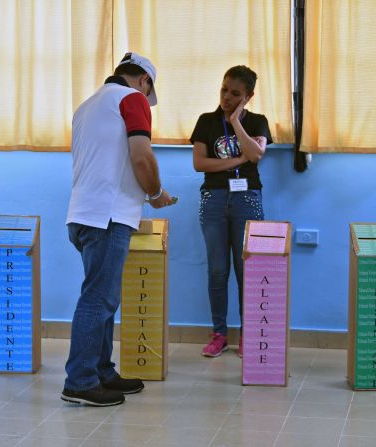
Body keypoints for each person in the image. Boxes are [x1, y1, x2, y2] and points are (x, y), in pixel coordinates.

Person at [62, 52, 174, 407]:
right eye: (148, 89)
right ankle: (79, 382)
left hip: (82, 214)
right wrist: (155, 194)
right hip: (108, 217)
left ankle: (101, 372)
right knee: (99, 299)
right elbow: (141, 156)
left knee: (103, 297)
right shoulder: (133, 100)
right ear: (144, 80)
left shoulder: (87, 106)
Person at [190, 65, 272, 358]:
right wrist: (235, 161)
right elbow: (199, 164)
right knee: (217, 270)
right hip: (213, 199)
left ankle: (250, 333)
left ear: (248, 96)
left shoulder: (258, 121)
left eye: (235, 93)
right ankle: (219, 334)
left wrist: (237, 121)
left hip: (247, 199)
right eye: (224, 89)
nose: (226, 97)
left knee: (247, 269)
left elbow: (256, 155)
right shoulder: (206, 121)